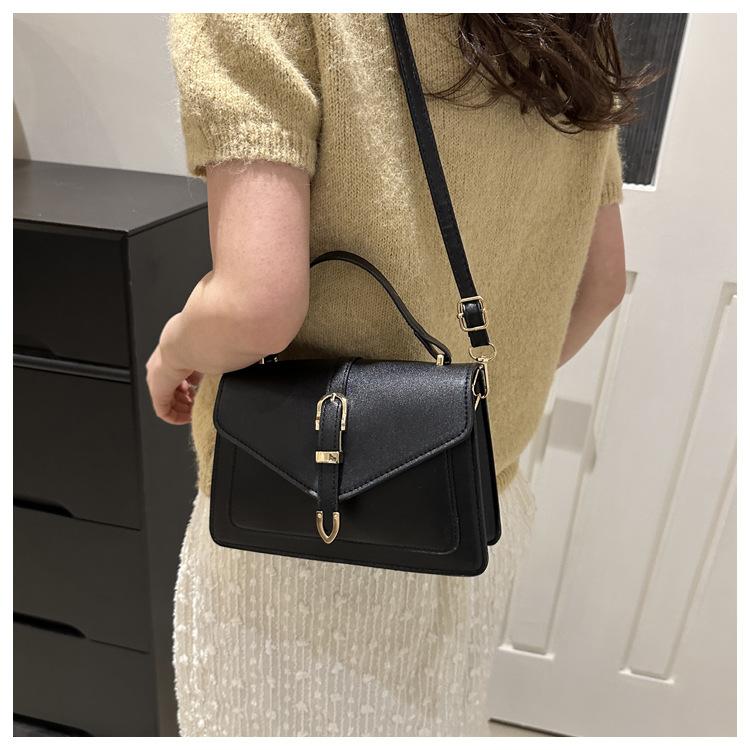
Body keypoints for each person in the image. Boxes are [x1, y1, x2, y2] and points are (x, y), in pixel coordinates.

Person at [149, 12, 637, 736]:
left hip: (295, 531)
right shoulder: (570, 24)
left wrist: (171, 351)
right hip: (476, 503)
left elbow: (256, 308)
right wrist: (449, 410)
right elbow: (602, 283)